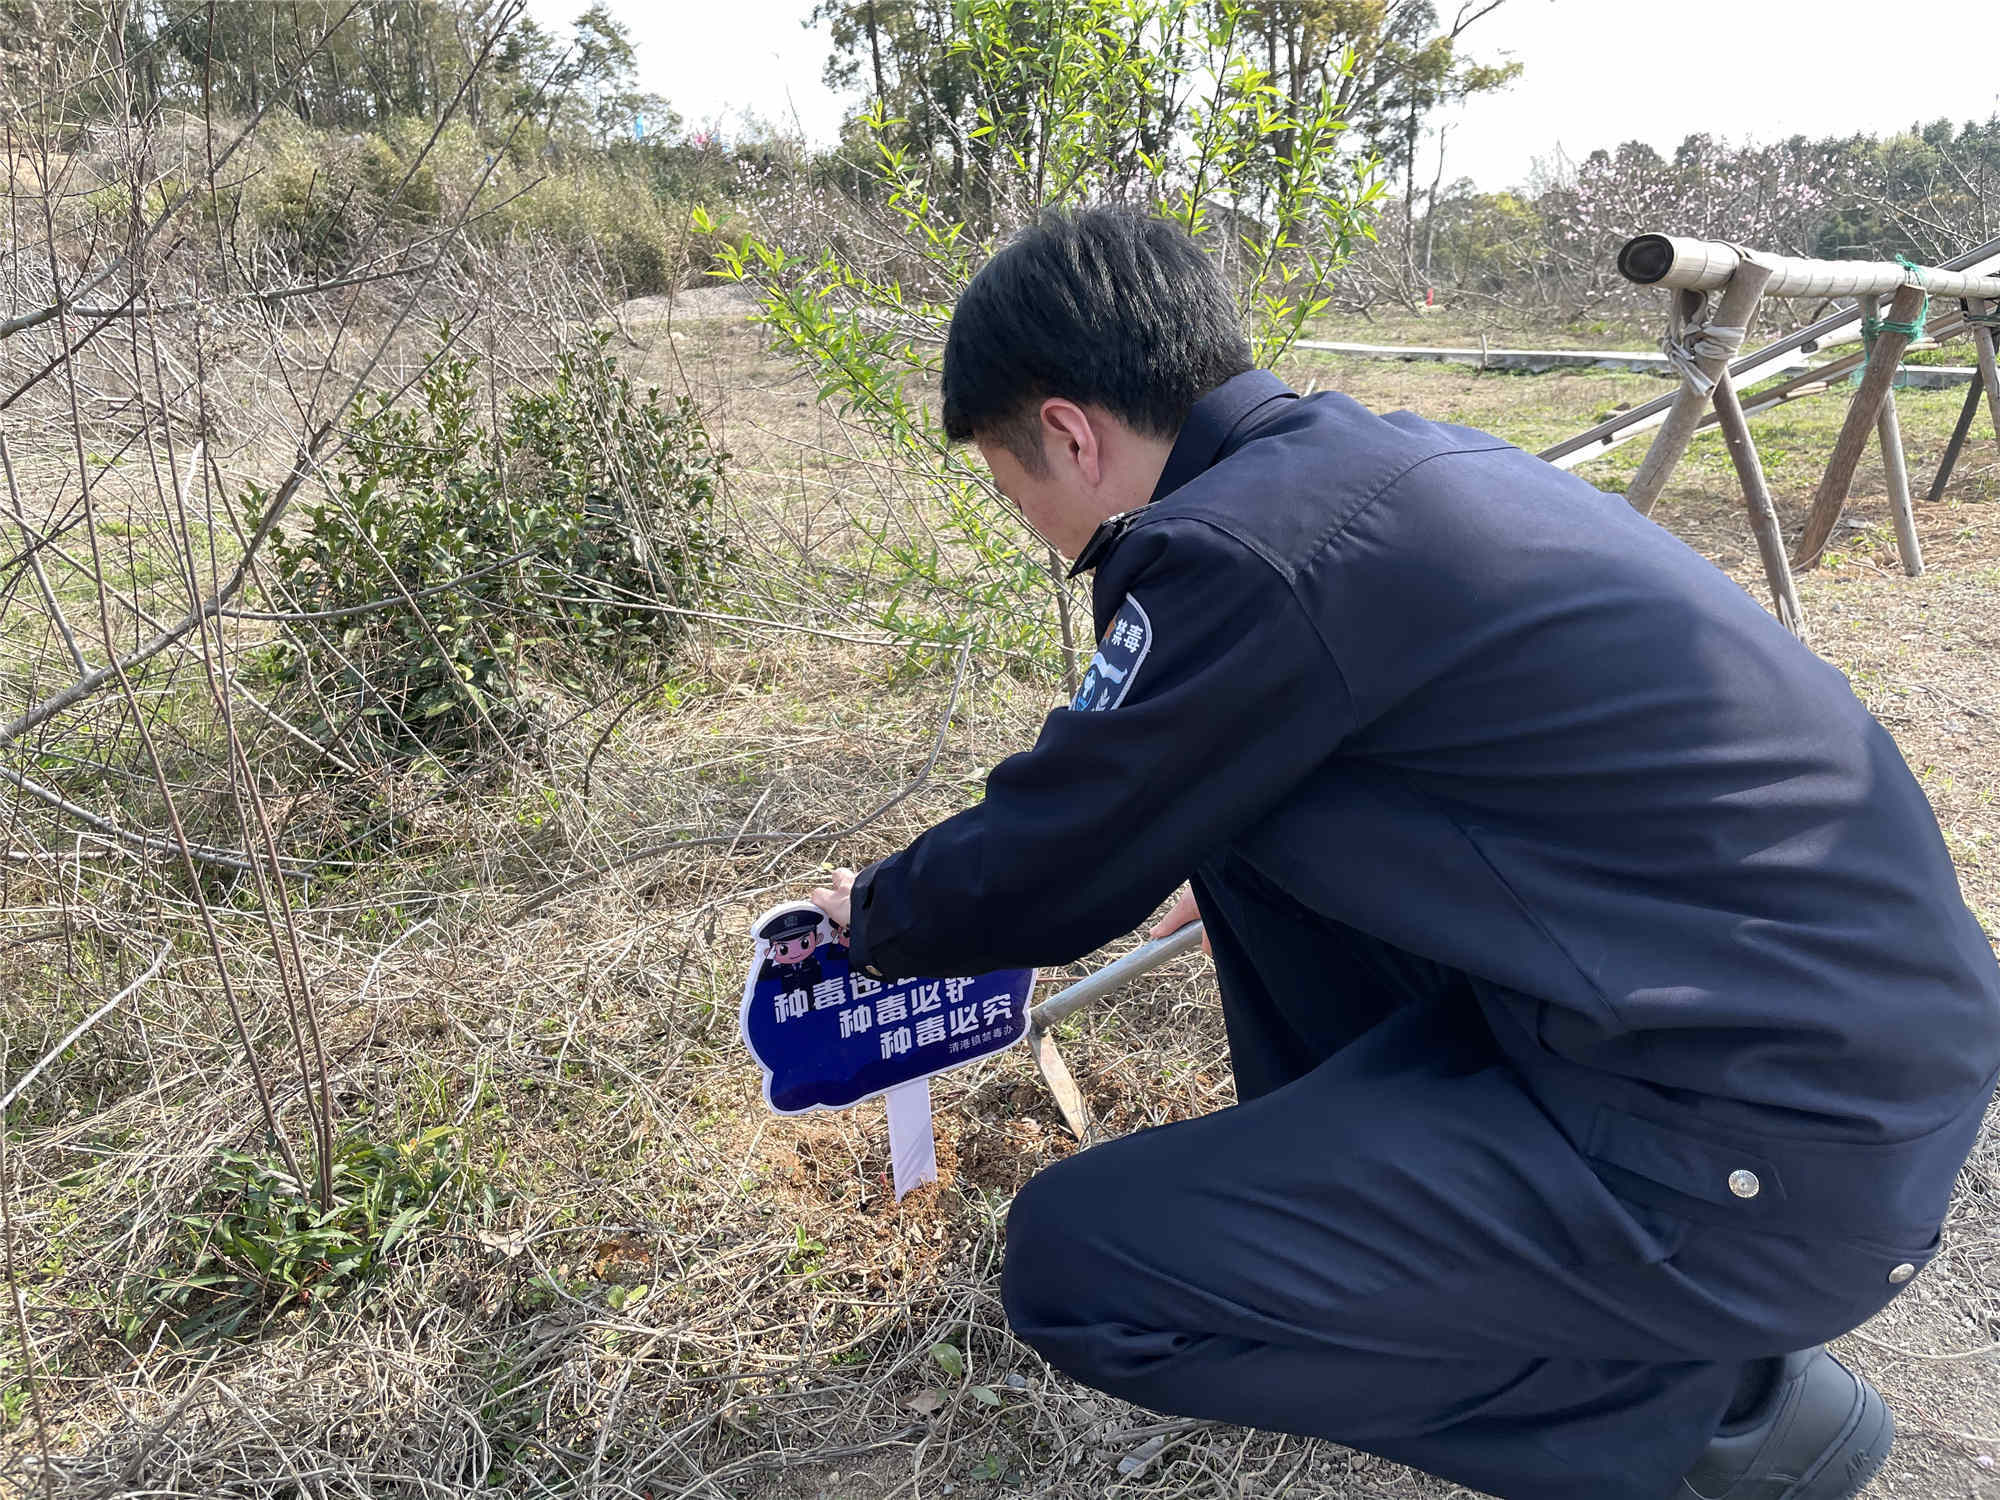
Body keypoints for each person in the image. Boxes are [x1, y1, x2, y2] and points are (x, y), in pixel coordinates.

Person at [807, 208, 2000, 1499]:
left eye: (1015, 490)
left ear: (1069, 434)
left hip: (1764, 1153)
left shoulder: (1231, 554)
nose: (1035, 530)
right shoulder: (1360, 469)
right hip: (1855, 1073)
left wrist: (870, 919)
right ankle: (1527, 1281)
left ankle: (1716, 1418)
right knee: (1245, 834)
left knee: (1072, 1271)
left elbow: (1047, 860)